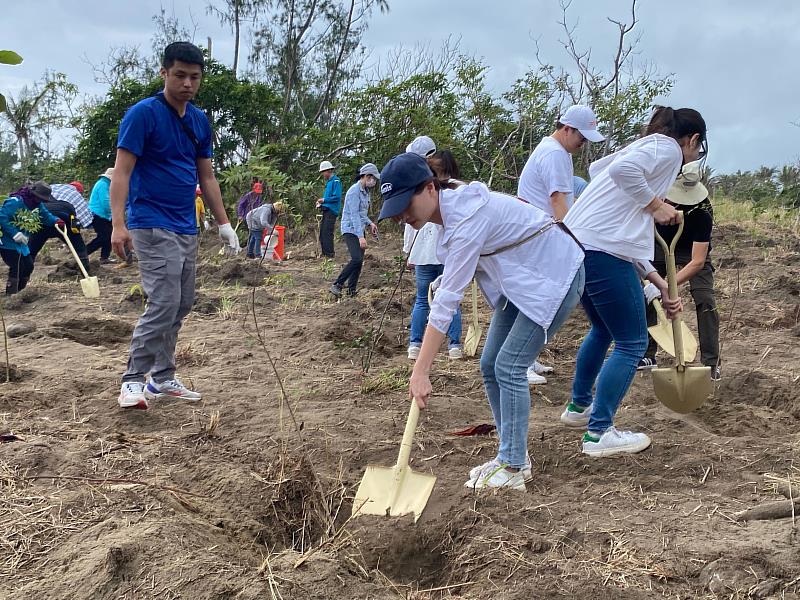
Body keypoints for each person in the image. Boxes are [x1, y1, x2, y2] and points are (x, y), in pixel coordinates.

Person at [380, 153, 585, 491]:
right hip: (522, 281)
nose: (402, 215)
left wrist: (421, 370)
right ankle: (511, 453)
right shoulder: (449, 209)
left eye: (406, 203)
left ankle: (514, 465)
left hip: (555, 274)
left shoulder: (465, 218)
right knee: (490, 364)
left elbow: (448, 304)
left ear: (430, 188)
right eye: (395, 208)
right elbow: (455, 280)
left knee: (510, 366)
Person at [560, 106, 707, 457]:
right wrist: (656, 205)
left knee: (603, 329)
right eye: (698, 149)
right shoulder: (667, 149)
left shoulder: (640, 153)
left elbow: (603, 172)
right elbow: (624, 172)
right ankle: (599, 433)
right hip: (602, 252)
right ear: (694, 140)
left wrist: (660, 283)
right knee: (632, 342)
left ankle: (579, 408)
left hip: (581, 247)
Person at [110, 41, 240, 410]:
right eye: (179, 75)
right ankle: (133, 380)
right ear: (165, 73)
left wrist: (224, 222)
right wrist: (118, 224)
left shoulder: (198, 121)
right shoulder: (143, 115)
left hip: (186, 225)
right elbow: (122, 171)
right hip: (150, 222)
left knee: (181, 302)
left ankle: (162, 378)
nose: (187, 83)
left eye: (194, 77)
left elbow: (208, 177)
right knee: (164, 301)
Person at [517, 105, 605, 385]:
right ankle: (521, 363)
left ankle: (527, 358)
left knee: (544, 300)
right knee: (535, 300)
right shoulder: (554, 153)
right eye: (581, 136)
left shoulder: (556, 151)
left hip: (542, 236)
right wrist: (572, 239)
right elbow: (558, 201)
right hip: (540, 238)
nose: (584, 143)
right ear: (567, 128)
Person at [640, 159, 720, 380]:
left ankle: (711, 363)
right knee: (647, 295)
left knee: (706, 300)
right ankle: (647, 354)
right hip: (658, 245)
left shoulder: (703, 211)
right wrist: (656, 285)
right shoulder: (657, 197)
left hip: (691, 251)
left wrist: (667, 287)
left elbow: (697, 261)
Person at [404, 143, 463, 360]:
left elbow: (410, 226)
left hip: (426, 254)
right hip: (445, 253)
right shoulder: (451, 188)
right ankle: (454, 345)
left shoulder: (422, 186)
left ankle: (415, 344)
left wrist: (407, 252)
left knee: (424, 299)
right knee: (449, 297)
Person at [0, 183, 63, 294]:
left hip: (22, 243)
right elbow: (2, 217)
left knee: (28, 266)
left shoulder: (37, 205)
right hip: (7, 242)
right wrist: (14, 233)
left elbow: (46, 216)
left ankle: (21, 292)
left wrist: (56, 220)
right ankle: (11, 294)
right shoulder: (15, 202)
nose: (40, 201)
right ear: (32, 194)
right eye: (39, 198)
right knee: (17, 266)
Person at [329, 164, 379, 298]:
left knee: (359, 261)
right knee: (356, 259)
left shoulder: (365, 192)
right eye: (373, 178)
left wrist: (370, 223)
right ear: (367, 176)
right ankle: (337, 284)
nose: (374, 182)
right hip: (350, 229)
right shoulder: (354, 191)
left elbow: (362, 214)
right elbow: (354, 215)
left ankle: (351, 290)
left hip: (358, 229)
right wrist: (360, 237)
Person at [28, 181, 93, 272]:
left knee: (31, 250)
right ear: (80, 191)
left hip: (42, 219)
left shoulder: (53, 187)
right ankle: (85, 272)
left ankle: (22, 275)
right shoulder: (77, 198)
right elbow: (80, 223)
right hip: (63, 221)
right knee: (79, 248)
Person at [86, 168, 115, 263]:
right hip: (98, 214)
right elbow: (105, 202)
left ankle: (104, 258)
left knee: (108, 236)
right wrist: (115, 211)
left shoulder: (106, 184)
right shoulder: (103, 185)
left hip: (105, 215)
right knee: (104, 237)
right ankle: (83, 253)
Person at [316, 161, 341, 258]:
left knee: (327, 233)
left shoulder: (336, 181)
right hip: (326, 210)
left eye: (323, 172)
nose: (322, 174)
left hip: (332, 211)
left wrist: (324, 200)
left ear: (328, 171)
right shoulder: (329, 182)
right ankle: (324, 253)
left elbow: (336, 197)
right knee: (322, 233)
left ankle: (330, 254)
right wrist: (320, 204)